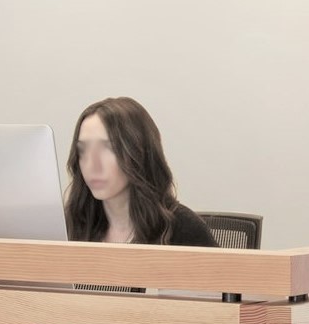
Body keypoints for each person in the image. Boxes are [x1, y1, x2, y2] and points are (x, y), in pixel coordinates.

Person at [64, 96, 219, 246]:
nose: (92, 164)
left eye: (108, 148)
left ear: (138, 153)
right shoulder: (70, 226)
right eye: (82, 150)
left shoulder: (184, 230)